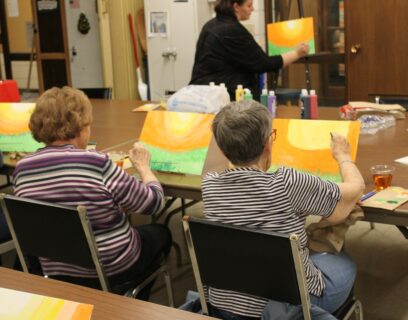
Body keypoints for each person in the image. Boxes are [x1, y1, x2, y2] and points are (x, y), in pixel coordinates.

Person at [202, 101, 365, 319]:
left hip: (226, 303)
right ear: (268, 142)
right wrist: (343, 156)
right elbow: (350, 196)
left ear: (222, 148)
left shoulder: (210, 184)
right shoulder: (287, 183)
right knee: (345, 263)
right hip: (287, 302)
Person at [12, 87, 172, 299]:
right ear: (80, 127)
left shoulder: (22, 169)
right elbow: (153, 204)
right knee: (162, 233)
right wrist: (143, 167)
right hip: (111, 268)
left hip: (58, 270)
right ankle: (132, 304)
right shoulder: (96, 163)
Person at [190, 0, 310, 101]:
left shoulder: (211, 25)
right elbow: (265, 64)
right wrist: (298, 53)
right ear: (236, 7)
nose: (252, 9)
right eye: (249, 5)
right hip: (224, 98)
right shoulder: (232, 30)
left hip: (203, 93)